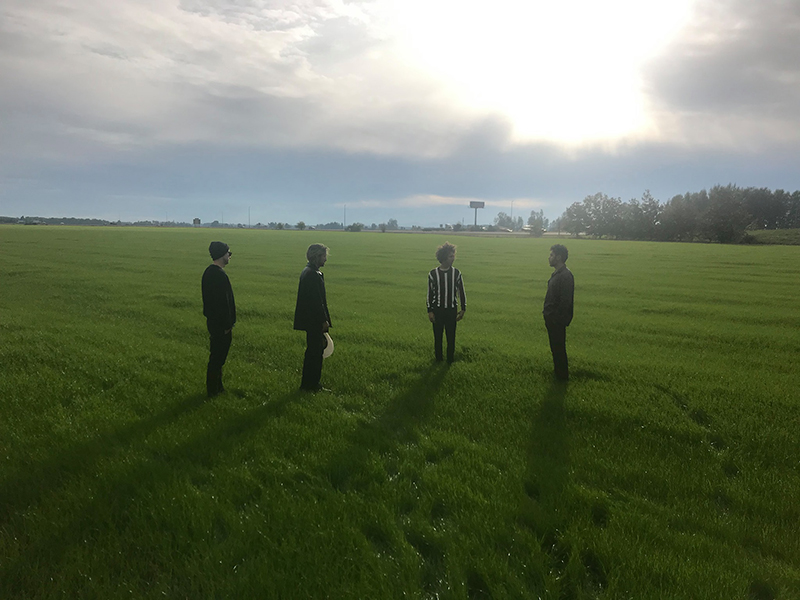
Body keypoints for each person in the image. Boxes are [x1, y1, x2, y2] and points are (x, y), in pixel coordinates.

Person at [294, 244, 332, 391]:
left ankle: (310, 384)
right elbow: (316, 301)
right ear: (317, 257)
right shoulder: (312, 275)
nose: (325, 259)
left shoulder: (308, 271)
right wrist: (324, 320)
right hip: (314, 321)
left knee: (314, 352)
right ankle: (311, 385)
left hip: (310, 320)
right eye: (324, 256)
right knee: (315, 353)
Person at [202, 241, 236, 397]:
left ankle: (218, 387)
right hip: (221, 325)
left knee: (217, 357)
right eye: (229, 253)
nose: (230, 256)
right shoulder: (219, 276)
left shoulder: (209, 272)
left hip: (214, 323)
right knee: (217, 358)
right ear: (222, 254)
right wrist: (227, 325)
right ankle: (213, 390)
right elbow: (222, 304)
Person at [427, 242, 467, 363]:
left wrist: (463, 309)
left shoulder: (456, 273)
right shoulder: (433, 274)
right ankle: (438, 359)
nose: (453, 258)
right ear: (443, 257)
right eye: (450, 256)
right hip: (438, 310)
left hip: (451, 310)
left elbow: (461, 292)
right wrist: (430, 311)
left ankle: (450, 360)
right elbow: (430, 294)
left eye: (453, 256)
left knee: (451, 337)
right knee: (438, 337)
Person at [543, 244, 574, 381]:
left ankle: (562, 377)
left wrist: (556, 318)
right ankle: (558, 373)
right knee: (555, 348)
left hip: (557, 320)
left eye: (551, 255)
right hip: (552, 318)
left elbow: (565, 301)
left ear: (559, 257)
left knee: (559, 348)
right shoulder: (557, 274)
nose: (549, 258)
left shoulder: (566, 276)